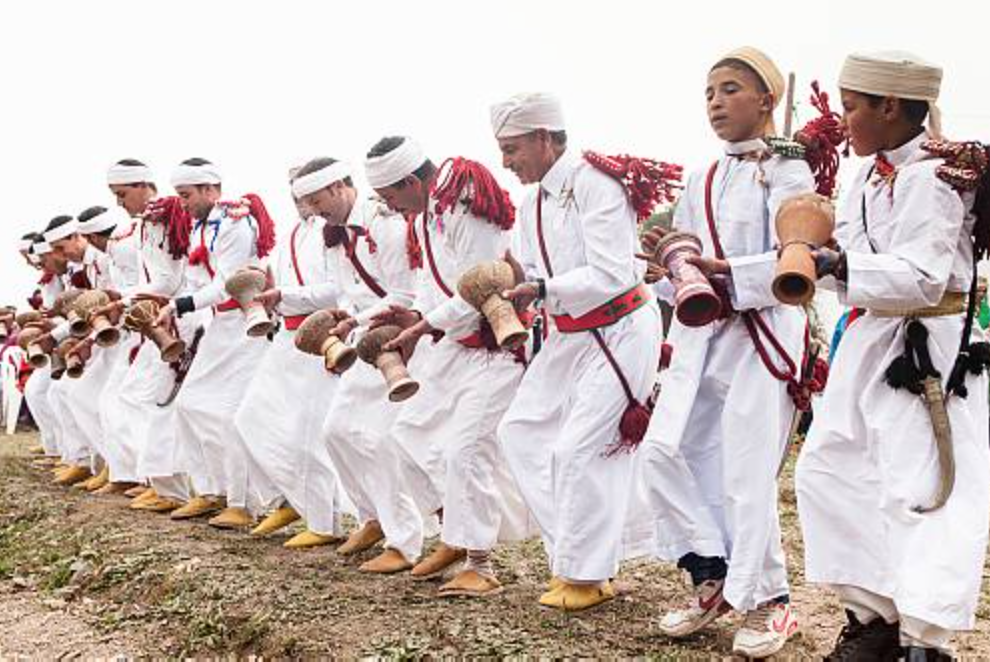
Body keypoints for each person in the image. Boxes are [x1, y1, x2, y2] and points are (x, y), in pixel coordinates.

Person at [796, 51, 990, 661]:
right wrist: (795, 263)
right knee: (830, 472)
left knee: (924, 489)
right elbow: (850, 266)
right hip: (870, 341)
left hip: (928, 348)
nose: (843, 119)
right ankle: (874, 619)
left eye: (851, 107)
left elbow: (927, 277)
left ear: (890, 106)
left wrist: (841, 265)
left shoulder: (937, 175)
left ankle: (924, 642)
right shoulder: (866, 177)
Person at [492, 92, 662, 610]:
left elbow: (612, 274)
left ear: (545, 137)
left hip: (621, 329)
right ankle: (578, 556)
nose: (506, 162)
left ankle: (586, 576)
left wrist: (541, 291)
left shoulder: (595, 182)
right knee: (519, 432)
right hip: (568, 333)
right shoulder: (531, 203)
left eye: (512, 148)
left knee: (580, 450)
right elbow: (534, 273)